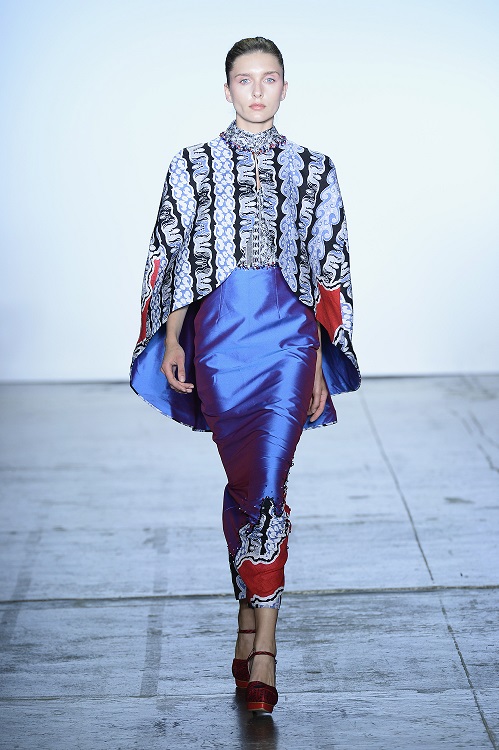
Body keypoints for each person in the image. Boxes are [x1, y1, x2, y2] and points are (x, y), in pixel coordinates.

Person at [130, 36, 360, 714]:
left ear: (285, 87)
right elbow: (169, 251)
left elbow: (329, 269)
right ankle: (245, 613)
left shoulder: (314, 169)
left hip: (289, 340)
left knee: (268, 481)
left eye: (268, 79)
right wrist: (174, 338)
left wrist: (319, 355)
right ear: (225, 88)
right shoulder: (191, 165)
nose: (255, 91)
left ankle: (264, 646)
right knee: (242, 482)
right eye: (243, 79)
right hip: (222, 339)